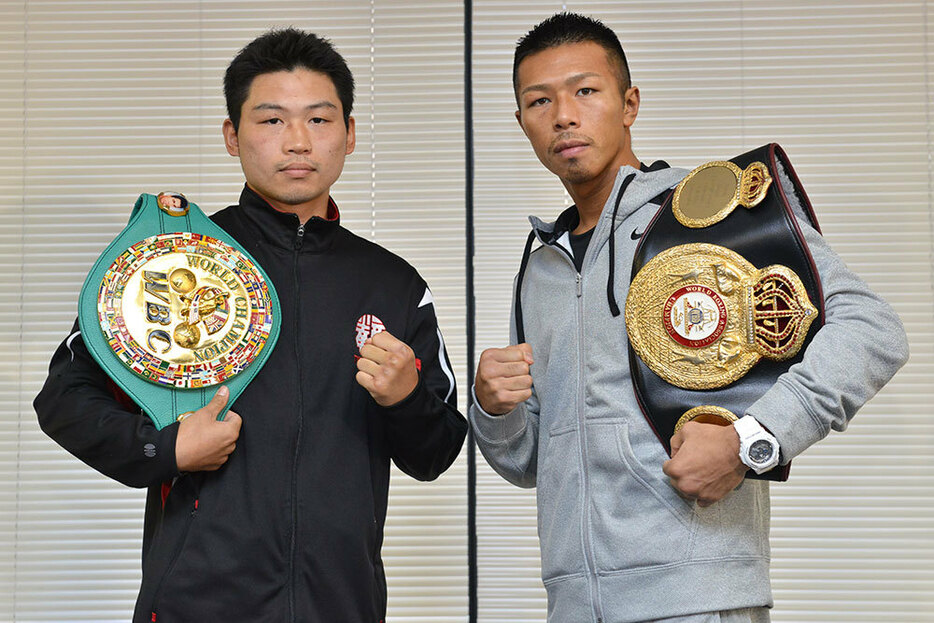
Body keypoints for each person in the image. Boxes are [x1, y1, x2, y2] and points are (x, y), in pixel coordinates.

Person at [470, 12, 908, 623]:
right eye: (539, 101)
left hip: (698, 599)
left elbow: (871, 329)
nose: (563, 115)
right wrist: (495, 410)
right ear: (522, 123)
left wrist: (752, 441)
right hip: (573, 604)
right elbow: (528, 463)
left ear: (629, 104)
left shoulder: (712, 212)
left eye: (585, 91)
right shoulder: (540, 266)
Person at [35, 28, 467, 622]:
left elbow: (436, 451)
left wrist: (406, 397)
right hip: (195, 604)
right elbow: (63, 397)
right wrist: (167, 448)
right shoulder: (175, 259)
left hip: (341, 605)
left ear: (350, 134)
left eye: (319, 120)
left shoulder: (391, 283)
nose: (297, 142)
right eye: (271, 121)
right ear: (232, 138)